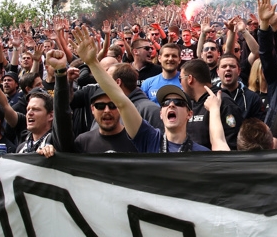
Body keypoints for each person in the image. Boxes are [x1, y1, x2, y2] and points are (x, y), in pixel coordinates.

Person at [71, 26, 228, 152]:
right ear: (160, 113)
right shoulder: (149, 140)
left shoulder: (201, 153)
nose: (171, 105)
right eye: (165, 103)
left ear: (189, 114)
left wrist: (214, 111)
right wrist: (92, 63)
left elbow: (221, 152)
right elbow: (121, 101)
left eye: (178, 102)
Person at [181, 58, 243, 149]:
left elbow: (232, 144)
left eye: (181, 79)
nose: (180, 84)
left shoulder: (224, 102)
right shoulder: (190, 104)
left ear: (190, 79)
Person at [73, 88, 138, 154]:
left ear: (120, 107)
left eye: (112, 105)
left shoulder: (136, 140)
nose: (107, 110)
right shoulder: (83, 142)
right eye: (100, 106)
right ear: (92, 109)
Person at [215, 52, 266, 121]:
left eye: (232, 66)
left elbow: (258, 127)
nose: (228, 69)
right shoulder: (210, 95)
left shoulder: (252, 98)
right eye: (224, 66)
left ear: (239, 71)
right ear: (218, 71)